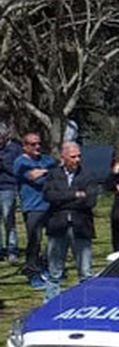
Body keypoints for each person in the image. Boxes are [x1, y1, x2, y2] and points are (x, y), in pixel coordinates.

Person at [42, 142, 97, 297]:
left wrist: (63, 197)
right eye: (73, 157)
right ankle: (51, 303)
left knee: (85, 271)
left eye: (79, 156)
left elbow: (90, 200)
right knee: (54, 271)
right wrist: (75, 194)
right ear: (63, 157)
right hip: (58, 225)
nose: (77, 159)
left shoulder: (87, 175)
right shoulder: (53, 174)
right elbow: (49, 196)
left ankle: (87, 302)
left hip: (81, 225)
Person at [14, 131, 56, 286]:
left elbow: (58, 170)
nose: (37, 147)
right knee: (35, 241)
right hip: (33, 207)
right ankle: (32, 272)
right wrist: (47, 171)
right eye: (33, 144)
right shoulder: (20, 162)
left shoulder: (46, 159)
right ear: (25, 146)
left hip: (50, 205)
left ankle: (45, 264)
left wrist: (45, 172)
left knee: (55, 238)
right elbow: (32, 177)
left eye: (39, 143)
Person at [0, 121, 21, 262]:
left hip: (8, 188)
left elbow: (18, 170)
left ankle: (12, 249)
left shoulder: (14, 149)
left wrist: (3, 163)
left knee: (8, 219)